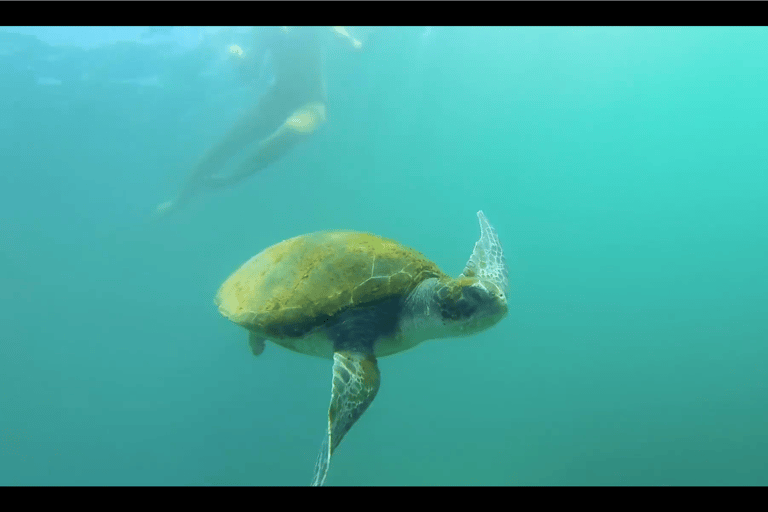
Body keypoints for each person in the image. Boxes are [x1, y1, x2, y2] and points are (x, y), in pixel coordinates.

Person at [155, 26, 362, 217]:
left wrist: (352, 41)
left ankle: (234, 176)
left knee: (288, 133)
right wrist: (238, 58)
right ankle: (180, 200)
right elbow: (251, 73)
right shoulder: (264, 29)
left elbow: (342, 36)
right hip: (275, 100)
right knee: (222, 147)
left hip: (311, 103)